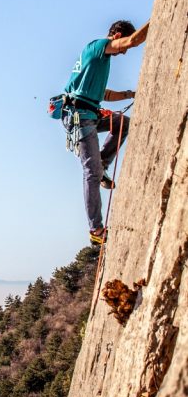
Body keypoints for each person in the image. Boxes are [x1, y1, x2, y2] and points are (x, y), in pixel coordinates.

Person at [61, 19, 150, 246]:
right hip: (81, 117)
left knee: (122, 123)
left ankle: (103, 165)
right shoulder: (99, 46)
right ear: (116, 34)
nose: (124, 53)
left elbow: (105, 94)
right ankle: (95, 229)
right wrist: (155, 21)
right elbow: (130, 42)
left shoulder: (100, 60)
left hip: (90, 111)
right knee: (90, 172)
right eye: (123, 46)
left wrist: (130, 94)